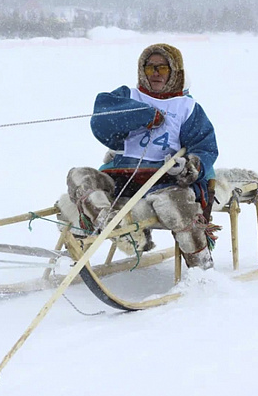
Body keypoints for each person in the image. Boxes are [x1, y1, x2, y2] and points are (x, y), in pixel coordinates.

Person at [66, 43, 218, 269]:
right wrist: (144, 115)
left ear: (175, 71)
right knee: (79, 176)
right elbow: (102, 118)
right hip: (121, 177)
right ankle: (115, 227)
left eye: (163, 68)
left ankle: (202, 268)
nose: (155, 74)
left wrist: (188, 166)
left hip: (163, 180)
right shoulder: (129, 95)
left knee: (178, 207)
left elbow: (205, 147)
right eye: (150, 68)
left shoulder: (187, 107)